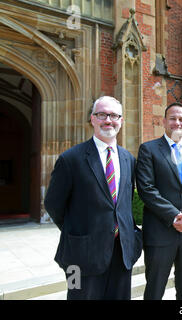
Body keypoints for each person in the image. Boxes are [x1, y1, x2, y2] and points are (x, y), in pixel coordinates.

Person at [44, 96, 143, 300]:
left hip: (122, 252)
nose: (108, 120)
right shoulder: (70, 159)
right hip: (78, 255)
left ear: (121, 121)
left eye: (114, 115)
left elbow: (123, 204)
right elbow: (53, 204)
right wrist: (79, 231)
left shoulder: (128, 159)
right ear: (92, 119)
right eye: (102, 115)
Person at [136, 102, 182, 300]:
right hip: (160, 233)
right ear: (164, 122)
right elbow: (146, 189)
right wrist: (175, 216)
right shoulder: (148, 150)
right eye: (173, 118)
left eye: (181, 119)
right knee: (154, 290)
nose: (177, 122)